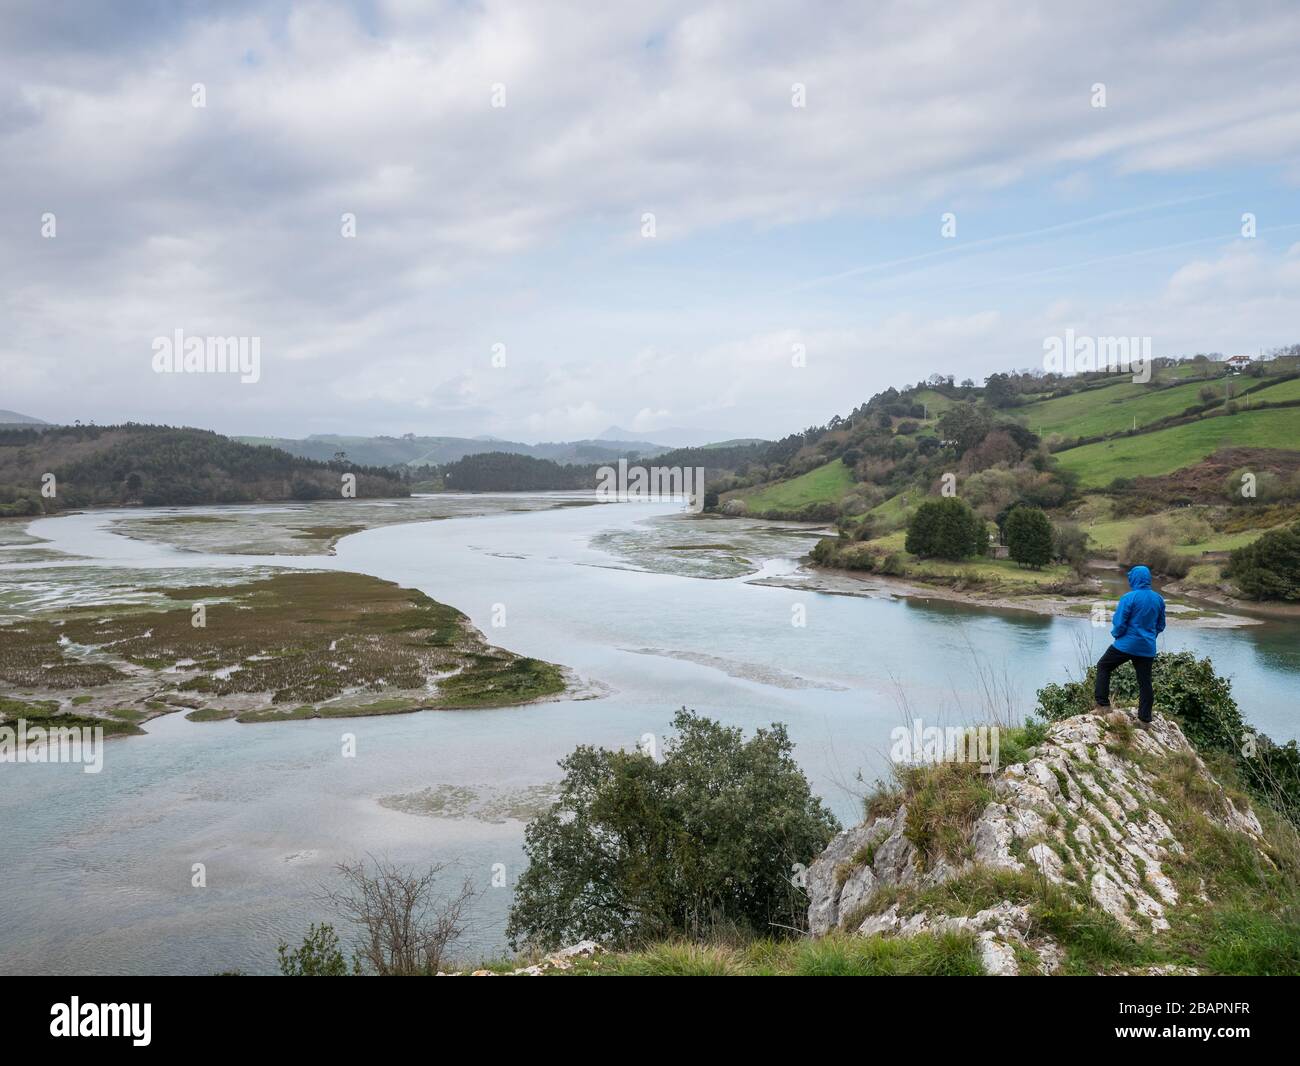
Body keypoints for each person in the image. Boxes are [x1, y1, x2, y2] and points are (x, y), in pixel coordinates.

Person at [1094, 564, 1166, 726]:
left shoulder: (1129, 597)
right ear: (1148, 579)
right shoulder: (1158, 599)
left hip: (1126, 645)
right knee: (1145, 682)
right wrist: (1150, 637)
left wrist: (1117, 636)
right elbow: (1161, 625)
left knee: (1103, 666)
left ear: (1134, 579)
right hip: (1147, 647)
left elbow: (1119, 623)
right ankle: (1145, 720)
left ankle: (1103, 705)